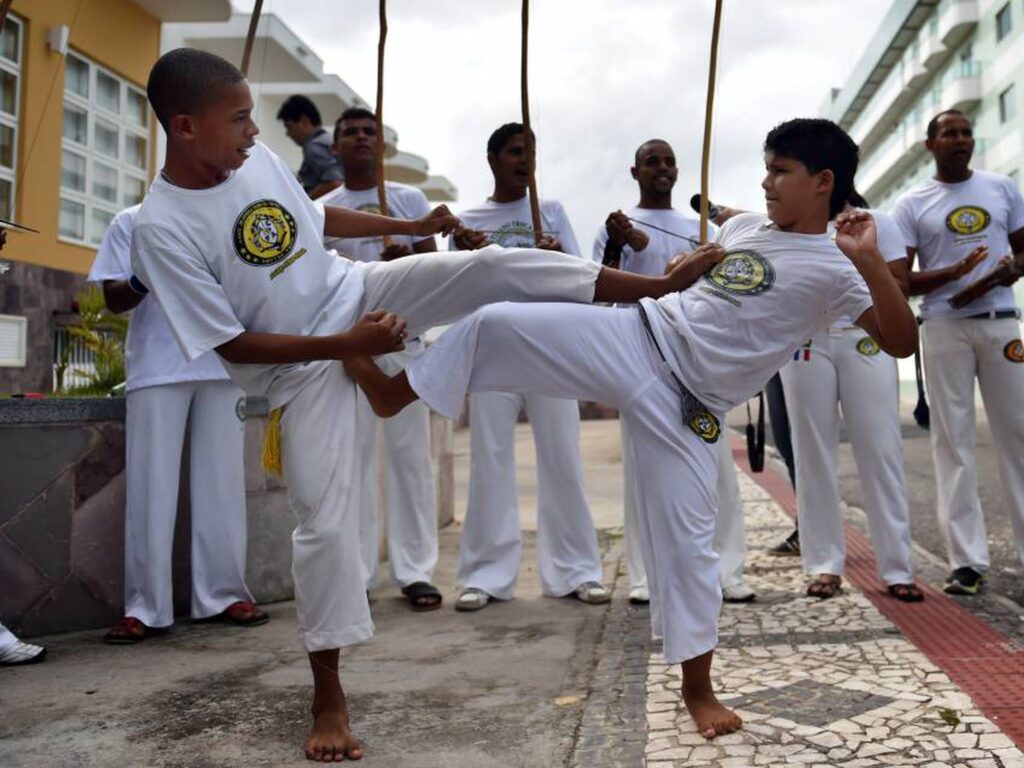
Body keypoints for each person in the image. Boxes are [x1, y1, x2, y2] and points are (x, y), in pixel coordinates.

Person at [132, 48, 700, 762]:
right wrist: (348, 345)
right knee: (325, 526)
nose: (254, 130)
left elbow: (319, 226)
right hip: (299, 371)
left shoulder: (255, 164)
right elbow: (235, 346)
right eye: (239, 117)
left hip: (355, 294)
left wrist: (403, 232)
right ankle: (328, 694)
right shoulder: (159, 227)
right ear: (184, 126)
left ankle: (649, 291)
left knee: (490, 269)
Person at [343, 118, 918, 740]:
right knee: (496, 320)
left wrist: (868, 259)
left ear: (824, 182)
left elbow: (900, 341)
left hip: (689, 406)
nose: (767, 181)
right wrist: (677, 241)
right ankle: (388, 392)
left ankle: (698, 689)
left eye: (782, 171)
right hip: (636, 335)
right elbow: (715, 209)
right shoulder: (749, 224)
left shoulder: (836, 269)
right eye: (767, 168)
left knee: (690, 549)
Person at [447, 122, 609, 612]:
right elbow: (454, 291)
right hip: (494, 349)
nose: (525, 161)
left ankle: (576, 570)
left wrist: (556, 256)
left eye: (532, 153)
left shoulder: (551, 212)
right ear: (493, 158)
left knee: (562, 457)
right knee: (490, 458)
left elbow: (583, 279)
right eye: (516, 152)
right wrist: (469, 256)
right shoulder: (467, 221)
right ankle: (485, 574)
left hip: (550, 348)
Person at [90, 205, 267, 644]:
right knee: (151, 488)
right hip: (157, 366)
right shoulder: (132, 221)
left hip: (224, 362)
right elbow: (113, 299)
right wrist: (142, 275)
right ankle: (145, 607)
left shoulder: (230, 216)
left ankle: (224, 593)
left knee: (223, 485)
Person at [593, 139, 754, 605]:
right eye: (651, 162)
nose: (661, 169)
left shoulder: (701, 228)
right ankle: (647, 575)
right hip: (639, 352)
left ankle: (728, 570)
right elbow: (602, 290)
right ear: (635, 170)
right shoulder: (617, 226)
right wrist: (616, 247)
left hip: (697, 356)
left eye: (668, 161)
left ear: (679, 170)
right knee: (643, 469)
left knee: (716, 465)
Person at [892, 108, 1024, 596]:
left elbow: (1023, 249)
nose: (960, 139)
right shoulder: (913, 202)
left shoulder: (1002, 189)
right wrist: (951, 273)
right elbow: (900, 280)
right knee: (954, 442)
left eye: (966, 132)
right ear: (931, 145)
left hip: (1001, 324)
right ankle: (967, 562)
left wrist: (1010, 270)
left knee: (1019, 434)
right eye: (949, 133)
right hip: (945, 326)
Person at [319, 107, 442, 611]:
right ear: (336, 146)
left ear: (382, 145)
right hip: (351, 349)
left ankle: (416, 571)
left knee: (411, 462)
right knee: (357, 464)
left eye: (370, 131)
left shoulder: (409, 200)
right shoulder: (324, 207)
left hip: (405, 342)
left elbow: (437, 266)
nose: (362, 138)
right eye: (351, 132)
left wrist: (407, 263)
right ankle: (361, 572)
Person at [780, 193, 923, 601]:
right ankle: (824, 564)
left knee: (881, 449)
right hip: (807, 342)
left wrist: (861, 262)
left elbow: (899, 285)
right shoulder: (790, 226)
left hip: (866, 336)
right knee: (811, 454)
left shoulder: (875, 220)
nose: (775, 182)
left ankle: (897, 567)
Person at [277, 94, 343, 199]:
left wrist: (304, 204)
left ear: (304, 121)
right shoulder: (328, 140)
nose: (288, 134)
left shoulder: (314, 146)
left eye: (289, 126)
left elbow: (334, 183)